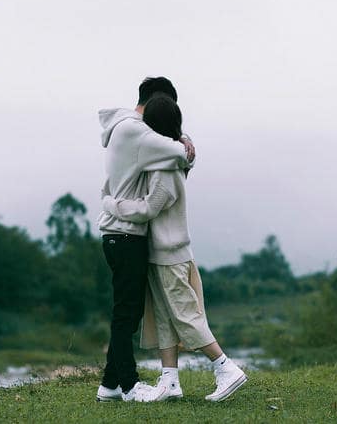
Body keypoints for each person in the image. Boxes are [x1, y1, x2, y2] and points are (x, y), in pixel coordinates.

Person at [102, 96, 247, 403]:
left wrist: (111, 204)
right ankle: (169, 380)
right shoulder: (168, 157)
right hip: (160, 252)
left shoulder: (164, 167)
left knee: (184, 314)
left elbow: (149, 208)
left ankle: (225, 367)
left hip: (170, 253)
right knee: (166, 318)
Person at [96, 77, 195, 402]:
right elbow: (180, 153)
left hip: (123, 233)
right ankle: (128, 386)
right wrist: (184, 141)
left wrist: (183, 141)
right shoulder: (135, 130)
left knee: (129, 312)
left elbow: (177, 150)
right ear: (157, 101)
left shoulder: (128, 129)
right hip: (125, 233)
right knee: (126, 313)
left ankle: (109, 385)